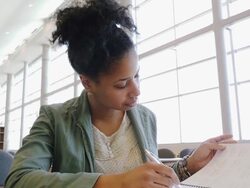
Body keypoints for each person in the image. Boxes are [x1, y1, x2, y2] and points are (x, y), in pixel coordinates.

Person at [5, 0, 234, 187]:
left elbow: (151, 177)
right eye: (122, 84)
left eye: (136, 75)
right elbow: (19, 179)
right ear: (87, 83)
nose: (136, 91)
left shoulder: (145, 117)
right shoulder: (55, 120)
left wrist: (189, 165)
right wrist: (117, 182)